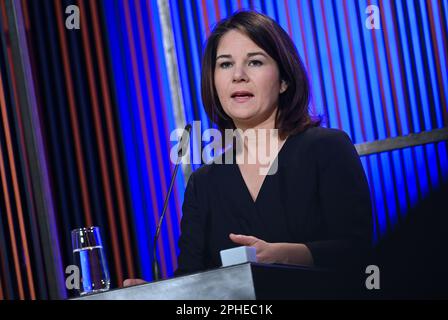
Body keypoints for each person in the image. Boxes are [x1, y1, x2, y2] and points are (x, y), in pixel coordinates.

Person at [124, 10, 372, 286]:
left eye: (254, 62)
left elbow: (358, 252)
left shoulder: (327, 148)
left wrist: (286, 255)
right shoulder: (203, 183)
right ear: (213, 81)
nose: (238, 76)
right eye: (225, 64)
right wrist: (154, 294)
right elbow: (192, 283)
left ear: (284, 80)